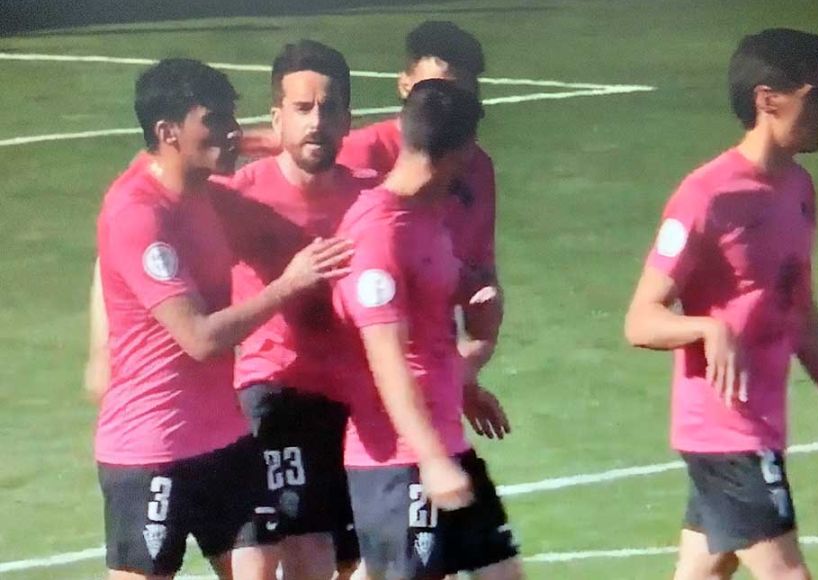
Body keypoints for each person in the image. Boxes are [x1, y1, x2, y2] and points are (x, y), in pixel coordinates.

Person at [624, 29, 818, 580]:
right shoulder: (707, 196)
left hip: (758, 423)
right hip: (725, 428)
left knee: (703, 572)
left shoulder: (799, 189)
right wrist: (708, 329)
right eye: (817, 96)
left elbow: (801, 312)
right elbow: (642, 319)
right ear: (768, 100)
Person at [94, 58, 352, 580]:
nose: (230, 131)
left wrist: (279, 140)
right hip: (152, 450)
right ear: (168, 133)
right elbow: (200, 338)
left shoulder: (202, 192)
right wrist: (289, 284)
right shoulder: (139, 216)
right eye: (214, 121)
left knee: (260, 570)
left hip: (225, 441)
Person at [241, 22, 509, 438]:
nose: (445, 104)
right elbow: (307, 149)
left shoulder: (474, 168)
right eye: (434, 88)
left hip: (399, 376)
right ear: (405, 86)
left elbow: (473, 274)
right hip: (312, 380)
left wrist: (461, 377)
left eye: (460, 92)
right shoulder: (362, 158)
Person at [333, 79, 522, 580]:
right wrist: (431, 459)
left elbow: (429, 330)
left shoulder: (426, 217)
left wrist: (463, 379)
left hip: (447, 443)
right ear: (459, 152)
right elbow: (387, 360)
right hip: (401, 462)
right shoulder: (377, 238)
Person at [211, 40, 376, 580]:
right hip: (278, 393)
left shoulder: (370, 201)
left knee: (359, 562)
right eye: (303, 109)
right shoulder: (240, 196)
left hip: (358, 402)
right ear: (276, 118)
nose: (317, 122)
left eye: (330, 109)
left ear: (348, 118)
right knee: (300, 554)